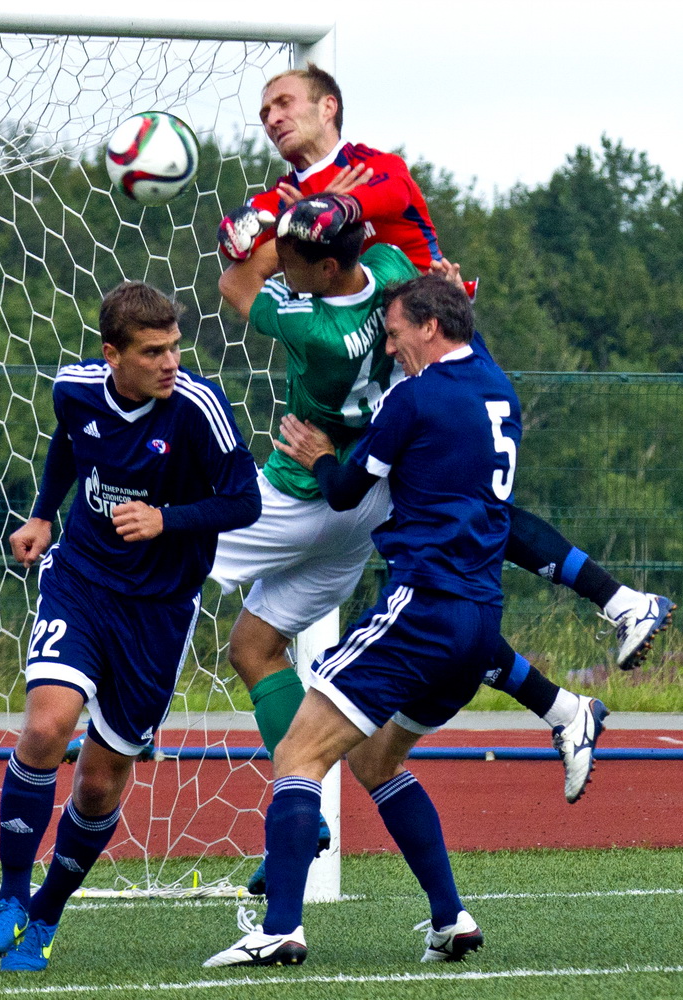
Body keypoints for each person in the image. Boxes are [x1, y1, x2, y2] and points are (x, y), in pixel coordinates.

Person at [215, 64, 674, 802]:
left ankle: (616, 611)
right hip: (411, 366)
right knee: (448, 572)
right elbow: (268, 245)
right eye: (262, 108)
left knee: (469, 528)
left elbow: (313, 233)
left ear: (328, 106)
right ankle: (572, 692)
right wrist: (266, 220)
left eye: (285, 101)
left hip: (443, 349)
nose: (270, 116)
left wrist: (267, 224)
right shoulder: (292, 202)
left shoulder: (372, 170)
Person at [204, 271, 521, 967]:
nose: (390, 341)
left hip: (420, 608)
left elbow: (346, 493)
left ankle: (281, 925)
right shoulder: (497, 390)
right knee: (376, 761)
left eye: (398, 329)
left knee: (298, 754)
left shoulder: (415, 396)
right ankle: (450, 917)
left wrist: (319, 456)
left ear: (430, 326)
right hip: (477, 613)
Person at [0, 281, 261, 972]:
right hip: (82, 582)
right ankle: (10, 897)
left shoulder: (197, 407)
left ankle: (44, 917)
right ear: (113, 355)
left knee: (99, 782)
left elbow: (243, 499)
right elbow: (69, 444)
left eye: (175, 348)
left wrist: (168, 520)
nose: (170, 363)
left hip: (160, 611)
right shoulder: (74, 388)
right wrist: (44, 512)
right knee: (45, 727)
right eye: (153, 351)